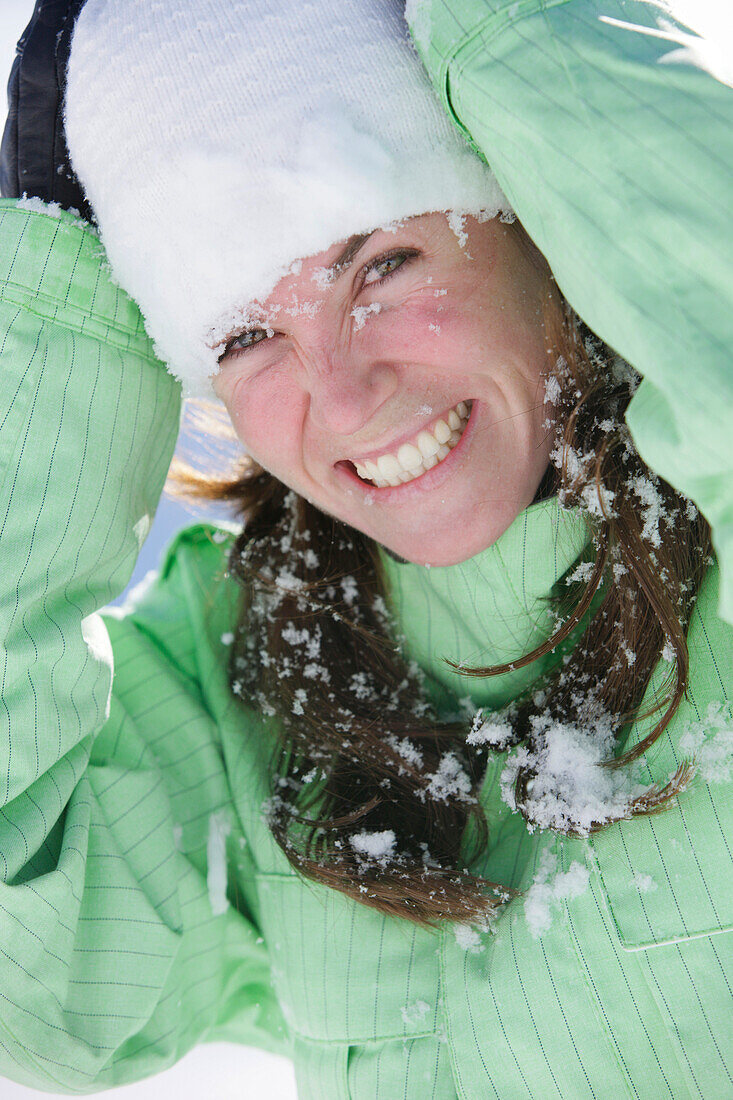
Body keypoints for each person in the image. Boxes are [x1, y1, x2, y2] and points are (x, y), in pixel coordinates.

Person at [0, 1, 730, 1097]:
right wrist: (55, 315)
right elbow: (40, 992)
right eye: (244, 334)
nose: (343, 400)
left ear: (531, 211)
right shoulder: (230, 674)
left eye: (383, 264)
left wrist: (516, 27)